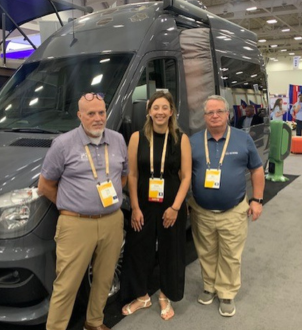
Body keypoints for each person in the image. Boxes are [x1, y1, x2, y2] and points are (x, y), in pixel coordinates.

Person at [38, 92, 128, 330]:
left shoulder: (118, 139)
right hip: (76, 225)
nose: (98, 118)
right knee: (67, 284)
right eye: (91, 114)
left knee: (104, 277)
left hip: (112, 221)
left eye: (101, 112)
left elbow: (124, 176)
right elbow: (45, 185)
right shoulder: (63, 144)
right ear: (80, 115)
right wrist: (71, 205)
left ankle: (94, 322)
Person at [189, 95, 265, 317]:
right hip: (201, 210)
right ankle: (210, 286)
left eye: (219, 111)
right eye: (210, 112)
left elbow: (257, 169)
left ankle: (227, 292)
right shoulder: (193, 141)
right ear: (204, 117)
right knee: (206, 251)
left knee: (230, 254)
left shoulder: (242, 139)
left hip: (233, 210)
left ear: (227, 114)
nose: (214, 116)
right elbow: (184, 174)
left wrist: (257, 200)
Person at [120, 91, 191, 321]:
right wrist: (135, 207)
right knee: (138, 249)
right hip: (144, 204)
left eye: (164, 108)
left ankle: (165, 295)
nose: (160, 112)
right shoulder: (137, 138)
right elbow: (132, 174)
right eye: (155, 108)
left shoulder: (181, 138)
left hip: (172, 204)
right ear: (149, 111)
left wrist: (176, 207)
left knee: (171, 250)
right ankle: (141, 295)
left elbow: (186, 176)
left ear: (172, 112)